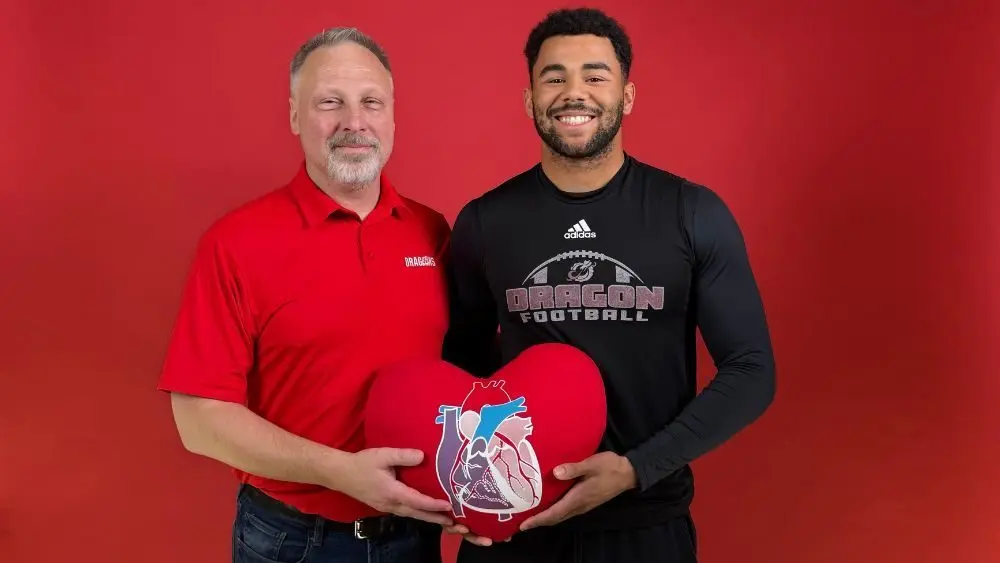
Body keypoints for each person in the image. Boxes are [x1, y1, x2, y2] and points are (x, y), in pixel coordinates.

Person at [440, 8, 777, 563]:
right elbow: (461, 374)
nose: (574, 92)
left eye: (595, 76)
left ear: (628, 95)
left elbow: (752, 370)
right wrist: (470, 482)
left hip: (645, 523)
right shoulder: (484, 222)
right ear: (529, 98)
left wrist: (636, 468)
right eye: (554, 77)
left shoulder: (691, 213)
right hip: (513, 523)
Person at [157, 27, 455, 563]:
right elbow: (199, 420)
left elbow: (463, 377)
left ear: (392, 117)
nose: (354, 121)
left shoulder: (431, 231)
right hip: (292, 541)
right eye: (329, 102)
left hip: (415, 534)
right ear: (295, 116)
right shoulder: (236, 243)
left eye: (371, 102)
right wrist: (340, 472)